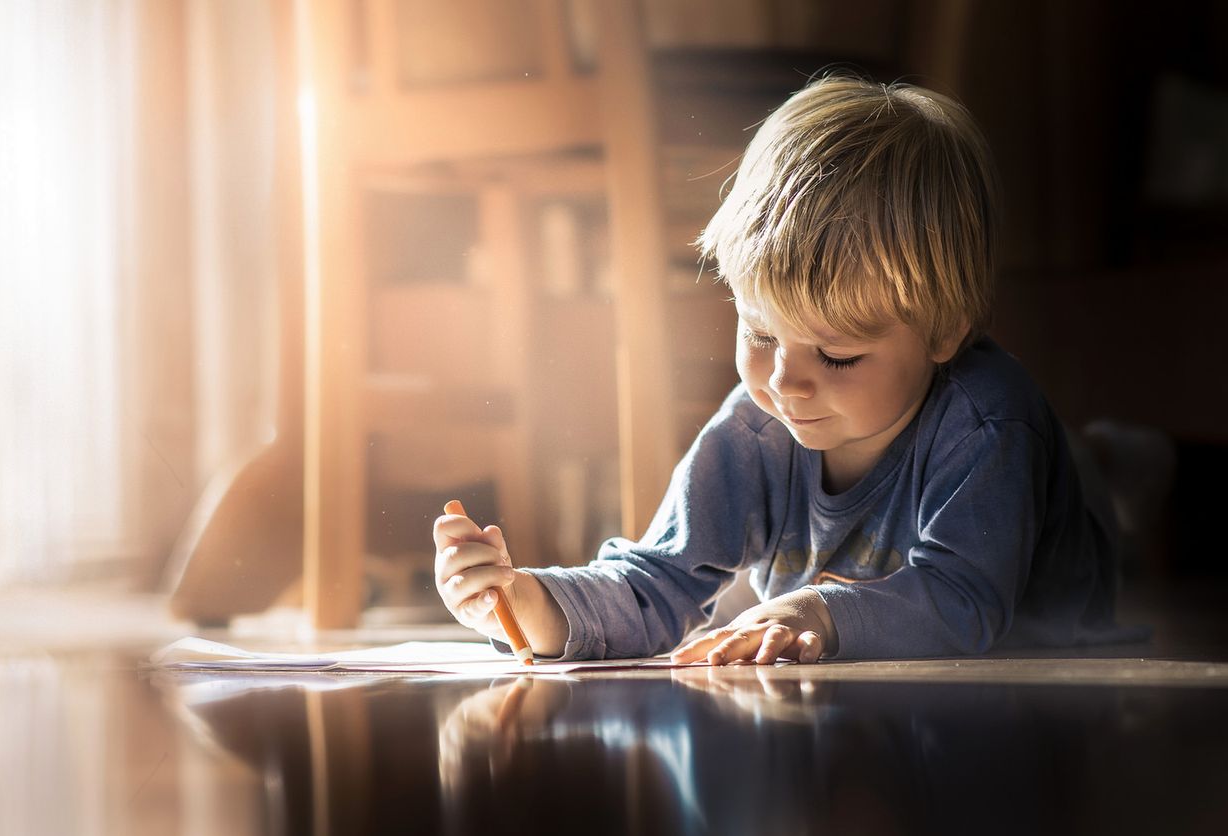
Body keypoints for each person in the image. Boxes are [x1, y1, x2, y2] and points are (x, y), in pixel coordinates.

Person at [433, 75, 1140, 664]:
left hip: (1042, 623)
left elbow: (965, 598)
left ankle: (1110, 463)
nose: (786, 382)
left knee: (1083, 481)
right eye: (762, 332)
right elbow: (656, 581)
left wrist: (817, 612)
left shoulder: (986, 423)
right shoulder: (754, 426)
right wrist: (522, 600)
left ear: (945, 331)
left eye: (836, 354)